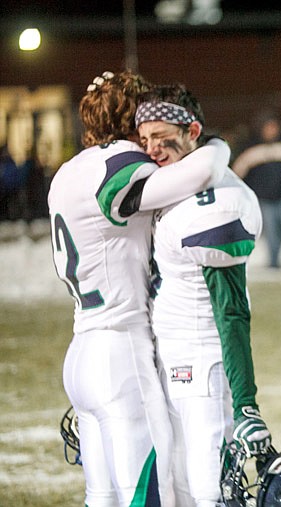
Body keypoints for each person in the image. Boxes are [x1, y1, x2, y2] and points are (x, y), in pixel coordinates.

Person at [48, 71, 231, 506]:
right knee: (147, 495)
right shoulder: (121, 161)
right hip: (121, 355)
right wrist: (216, 142)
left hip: (83, 352)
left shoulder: (68, 170)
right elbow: (201, 171)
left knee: (103, 498)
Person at [135, 84, 271, 507]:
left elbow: (232, 314)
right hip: (171, 353)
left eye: (162, 137)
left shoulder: (219, 203)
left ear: (192, 129)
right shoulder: (174, 180)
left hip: (202, 361)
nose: (152, 149)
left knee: (210, 483)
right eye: (145, 140)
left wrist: (247, 403)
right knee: (177, 478)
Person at [232, 114, 281, 268]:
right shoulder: (251, 149)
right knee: (271, 232)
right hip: (264, 199)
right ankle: (274, 262)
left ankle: (276, 258)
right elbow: (238, 174)